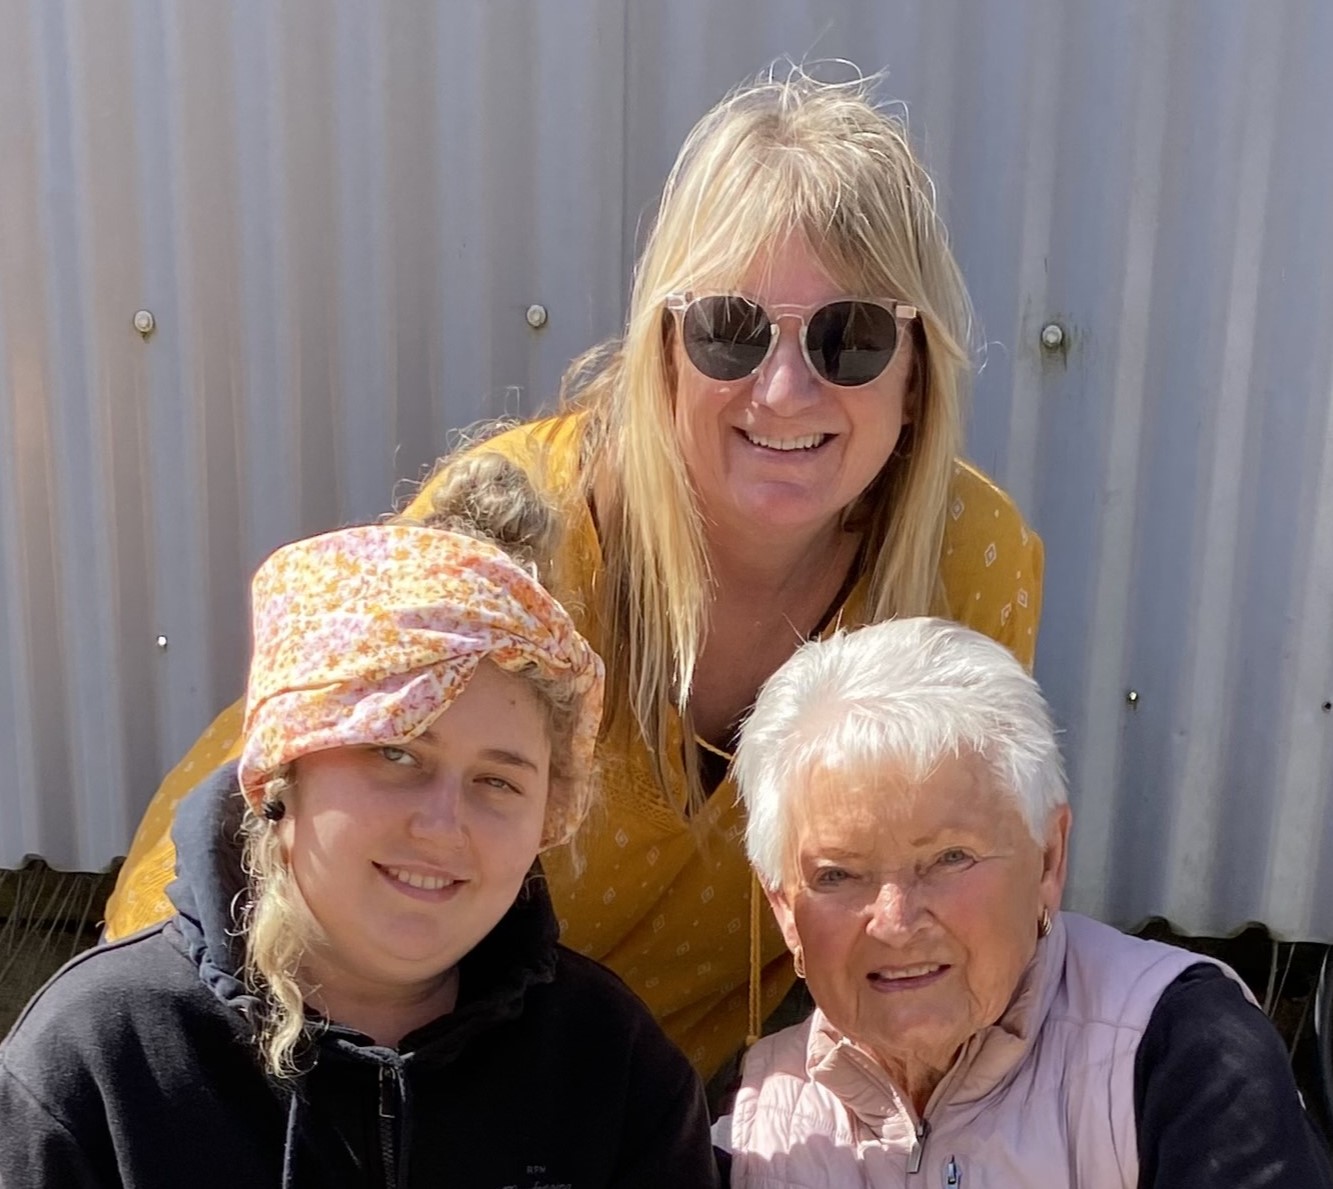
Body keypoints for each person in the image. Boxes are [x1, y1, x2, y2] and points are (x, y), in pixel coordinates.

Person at [104, 67, 1044, 1078]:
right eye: (729, 329)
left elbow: (963, 910)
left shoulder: (969, 564)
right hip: (350, 1069)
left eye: (849, 337)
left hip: (630, 1118)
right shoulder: (519, 534)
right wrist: (177, 1073)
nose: (782, 389)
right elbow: (293, 832)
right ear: (665, 350)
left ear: (916, 364)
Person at [0, 485, 722, 1186]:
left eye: (497, 781)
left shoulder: (612, 1071)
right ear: (286, 766)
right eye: (397, 753)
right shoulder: (100, 1066)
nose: (443, 824)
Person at [717, 617, 1332, 1186]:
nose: (897, 923)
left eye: (949, 858)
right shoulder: (747, 1123)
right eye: (838, 875)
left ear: (1048, 858)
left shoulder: (1178, 1047)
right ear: (783, 908)